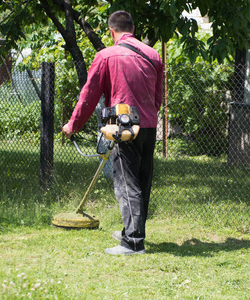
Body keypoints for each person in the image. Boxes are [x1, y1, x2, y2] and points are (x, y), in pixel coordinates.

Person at [62, 10, 163, 255]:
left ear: (111, 31)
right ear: (134, 28)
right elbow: (159, 95)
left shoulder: (105, 55)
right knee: (142, 181)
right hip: (149, 125)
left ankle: (133, 243)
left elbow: (88, 96)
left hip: (124, 126)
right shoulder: (153, 55)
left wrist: (72, 125)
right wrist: (149, 116)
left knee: (127, 183)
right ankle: (134, 230)